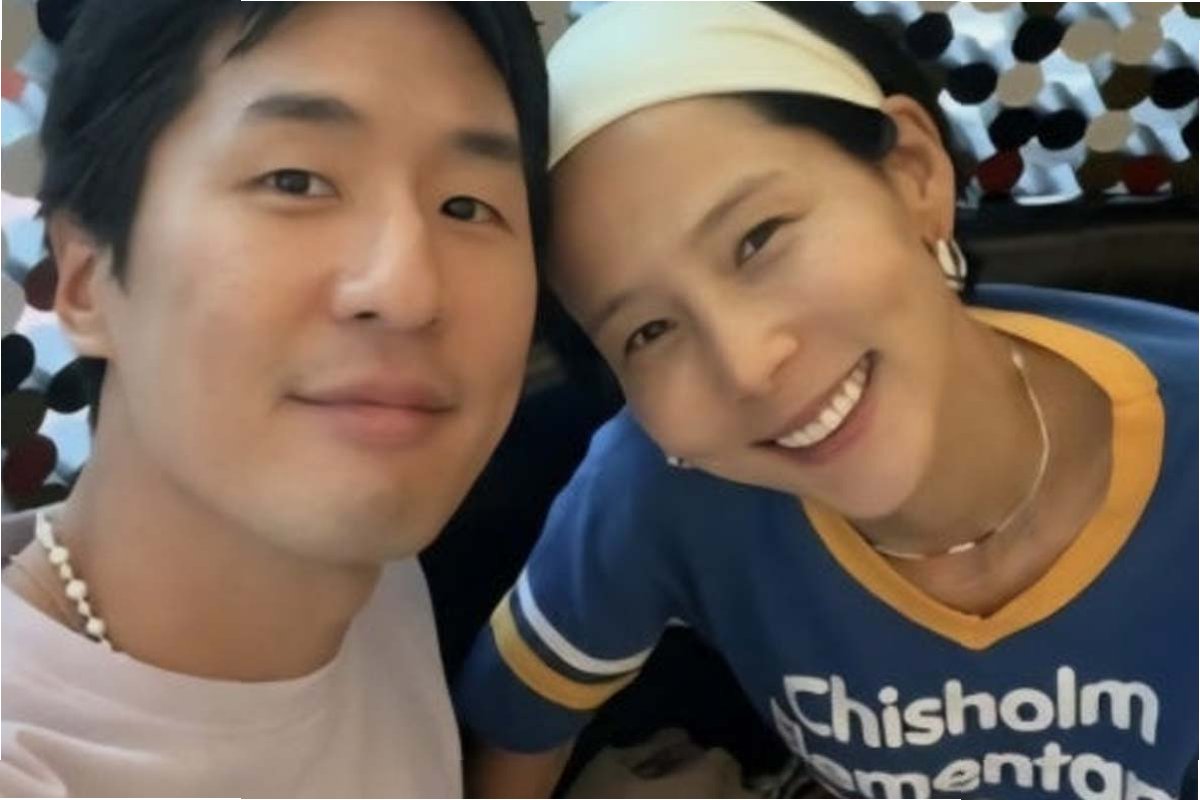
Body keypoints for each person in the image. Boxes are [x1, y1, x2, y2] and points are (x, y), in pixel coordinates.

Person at [454, 3, 1198, 798]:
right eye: (649, 331)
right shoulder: (659, 488)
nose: (746, 367)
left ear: (913, 174)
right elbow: (513, 733)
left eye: (759, 238)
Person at [1, 1, 547, 796]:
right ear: (83, 282)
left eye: (466, 205)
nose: (408, 289)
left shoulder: (378, 582)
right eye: (295, 181)